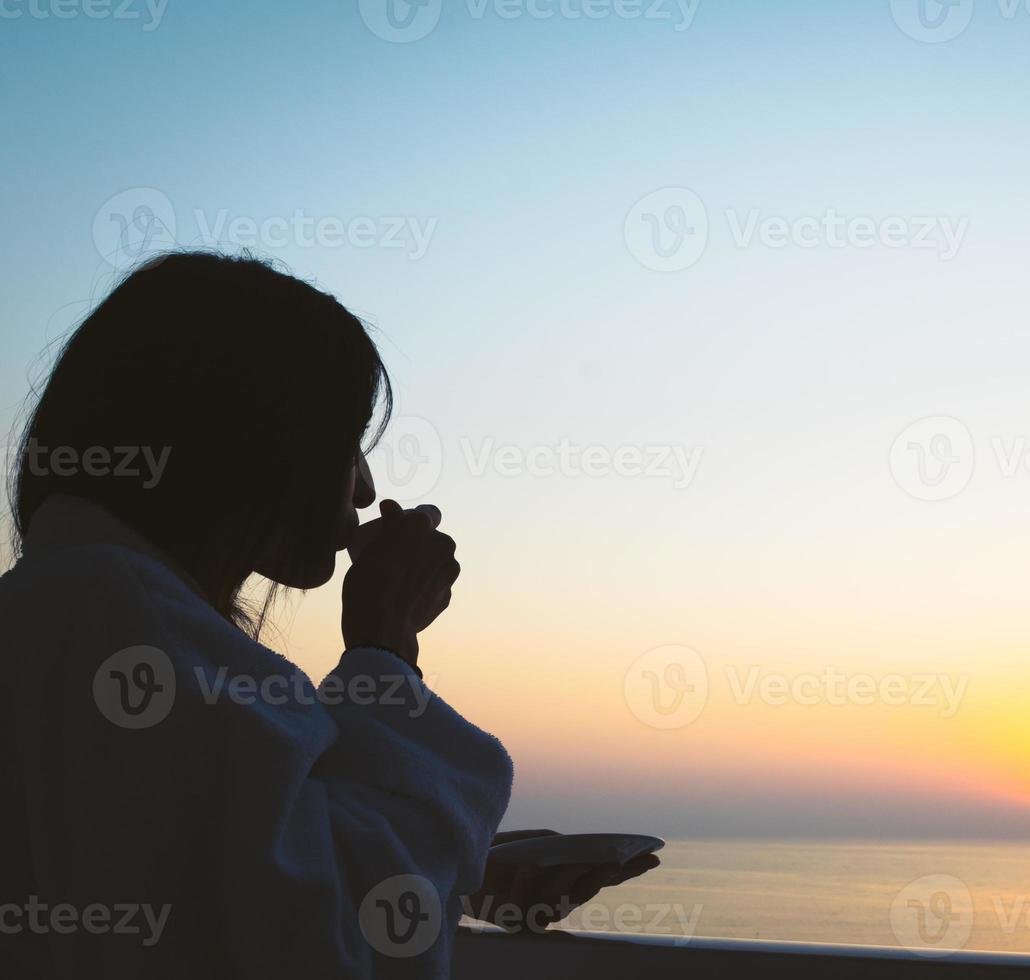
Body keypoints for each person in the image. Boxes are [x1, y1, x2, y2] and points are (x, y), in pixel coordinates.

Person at [0, 252, 657, 978]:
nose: (369, 487)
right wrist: (384, 647)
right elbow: (332, 953)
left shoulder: (73, 610)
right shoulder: (120, 627)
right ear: (253, 441)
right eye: (346, 443)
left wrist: (461, 873)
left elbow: (194, 885)